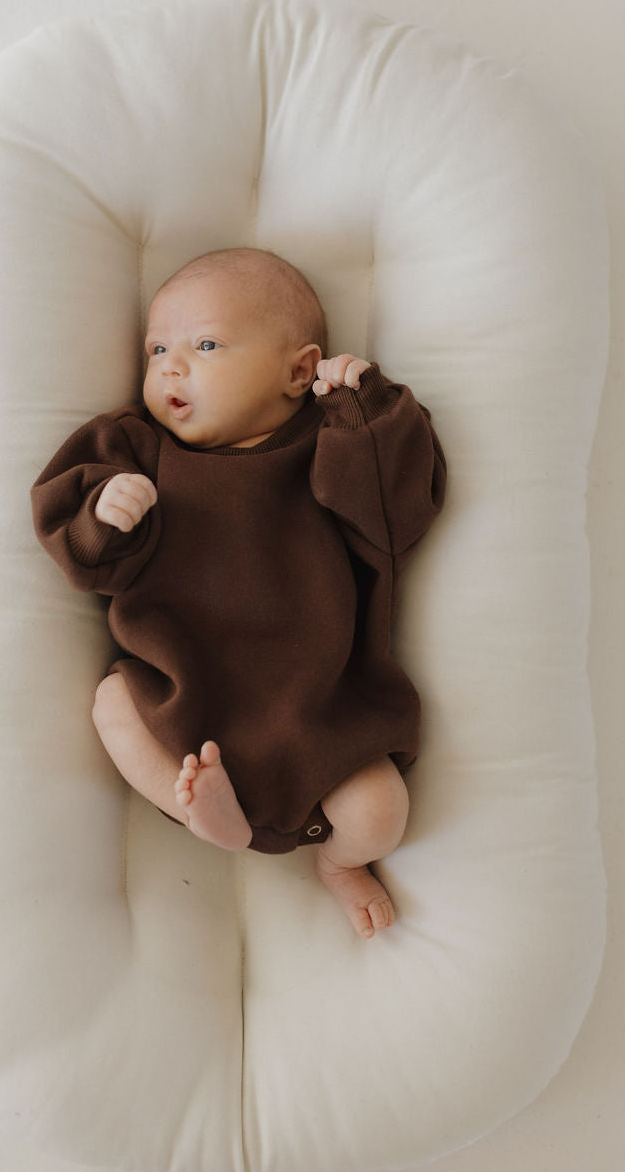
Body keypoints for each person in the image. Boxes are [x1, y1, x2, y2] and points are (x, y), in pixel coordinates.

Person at [31, 247, 445, 938]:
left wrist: (366, 409)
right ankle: (199, 811)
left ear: (298, 370)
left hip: (320, 710)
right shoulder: (138, 450)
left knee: (380, 813)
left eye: (205, 344)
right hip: (184, 695)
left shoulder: (326, 444)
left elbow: (396, 512)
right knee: (113, 703)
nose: (170, 364)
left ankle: (340, 864)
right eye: (157, 346)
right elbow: (82, 558)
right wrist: (105, 516)